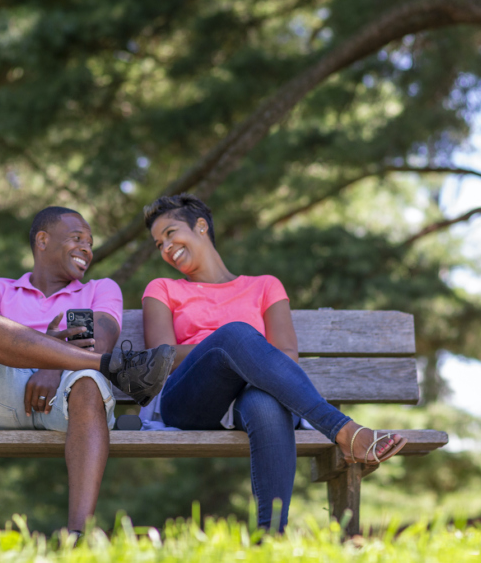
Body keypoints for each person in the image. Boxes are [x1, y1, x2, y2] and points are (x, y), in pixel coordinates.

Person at [140, 194, 407, 532]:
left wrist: (246, 357)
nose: (166, 247)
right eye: (158, 244)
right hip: (192, 400)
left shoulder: (265, 286)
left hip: (256, 395)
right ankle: (344, 430)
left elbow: (286, 355)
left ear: (201, 226)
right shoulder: (162, 288)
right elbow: (161, 357)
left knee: (266, 403)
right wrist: (227, 348)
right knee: (234, 335)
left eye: (170, 233)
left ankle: (271, 539)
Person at [0, 206, 175, 534]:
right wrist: (50, 355)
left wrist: (53, 367)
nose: (87, 248)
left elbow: (101, 338)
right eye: (77, 238)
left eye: (90, 243)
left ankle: (78, 535)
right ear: (42, 240)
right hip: (1, 393)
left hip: (68, 401)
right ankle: (114, 368)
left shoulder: (100, 289)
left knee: (89, 381)